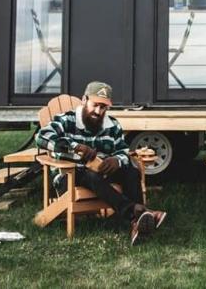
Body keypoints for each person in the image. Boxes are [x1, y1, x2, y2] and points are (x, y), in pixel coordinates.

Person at [36, 81, 167, 244]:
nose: (98, 111)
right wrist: (75, 147)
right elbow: (41, 138)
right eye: (95, 105)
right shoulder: (66, 120)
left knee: (132, 172)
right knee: (92, 175)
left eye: (103, 107)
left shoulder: (112, 125)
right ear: (84, 100)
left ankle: (138, 223)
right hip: (69, 175)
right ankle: (135, 212)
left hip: (101, 171)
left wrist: (117, 161)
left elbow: (124, 151)